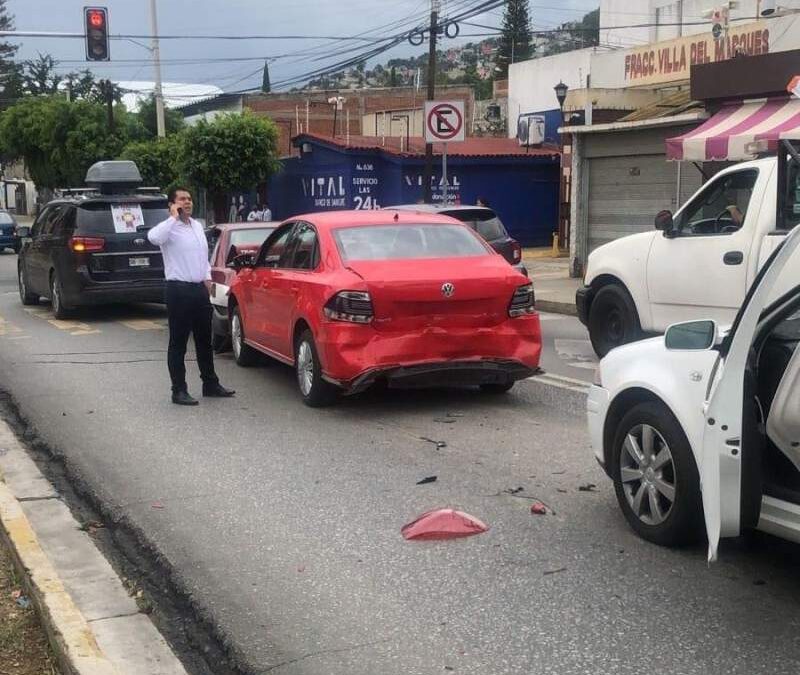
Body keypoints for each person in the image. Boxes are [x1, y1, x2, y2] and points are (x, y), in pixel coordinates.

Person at [147, 187, 235, 406]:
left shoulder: (197, 226)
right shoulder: (167, 229)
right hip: (178, 289)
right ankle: (178, 390)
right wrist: (173, 217)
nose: (187, 202)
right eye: (182, 199)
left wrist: (208, 282)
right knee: (178, 342)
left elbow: (202, 258)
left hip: (199, 289)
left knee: (205, 340)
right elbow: (153, 238)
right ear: (172, 204)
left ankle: (210, 383)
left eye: (189, 199)